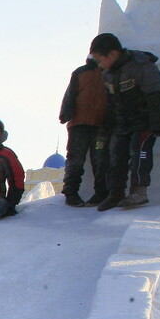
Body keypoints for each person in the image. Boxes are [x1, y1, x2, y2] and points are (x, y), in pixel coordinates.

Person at [90, 32, 160, 211]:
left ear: (112, 54)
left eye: (100, 60)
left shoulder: (141, 66)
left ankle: (138, 192)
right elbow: (110, 102)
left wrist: (158, 124)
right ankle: (115, 193)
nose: (99, 65)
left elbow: (156, 94)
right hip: (122, 122)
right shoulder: (107, 75)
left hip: (144, 121)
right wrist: (107, 123)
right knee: (116, 157)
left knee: (139, 154)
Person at [59, 56, 109, 207]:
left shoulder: (110, 73)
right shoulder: (80, 72)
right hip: (78, 123)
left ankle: (101, 192)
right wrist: (65, 113)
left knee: (100, 160)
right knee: (75, 159)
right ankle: (71, 192)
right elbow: (70, 94)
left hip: (101, 125)